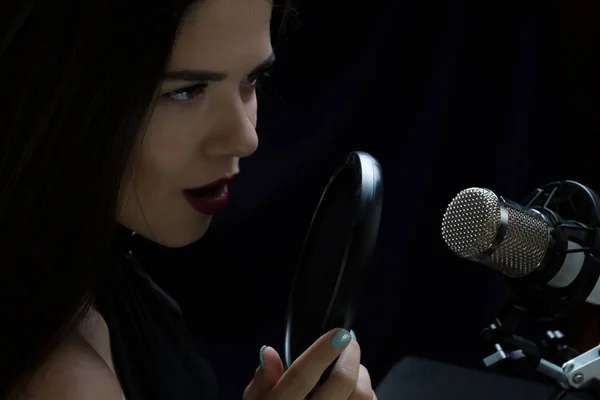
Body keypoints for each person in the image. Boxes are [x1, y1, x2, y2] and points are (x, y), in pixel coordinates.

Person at [0, 0, 377, 399]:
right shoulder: (65, 383)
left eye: (251, 79)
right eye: (185, 92)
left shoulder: (97, 278)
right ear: (59, 89)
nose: (246, 139)